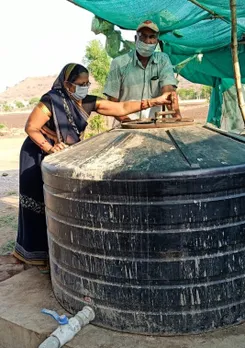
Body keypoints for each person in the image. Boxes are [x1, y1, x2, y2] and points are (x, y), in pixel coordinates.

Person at [13, 63, 174, 273]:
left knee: (58, 206)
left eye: (87, 83)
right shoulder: (51, 100)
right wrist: (51, 148)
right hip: (37, 153)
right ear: (67, 84)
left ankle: (57, 254)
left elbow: (122, 108)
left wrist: (156, 101)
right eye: (80, 84)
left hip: (62, 156)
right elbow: (31, 128)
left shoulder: (88, 101)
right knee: (37, 204)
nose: (84, 87)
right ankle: (37, 257)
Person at [104, 20, 181, 121]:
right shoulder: (119, 63)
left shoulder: (162, 60)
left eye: (152, 37)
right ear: (136, 38)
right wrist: (130, 123)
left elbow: (169, 94)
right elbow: (112, 103)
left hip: (154, 126)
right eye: (143, 36)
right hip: (125, 125)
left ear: (157, 41)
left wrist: (178, 118)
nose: (147, 41)